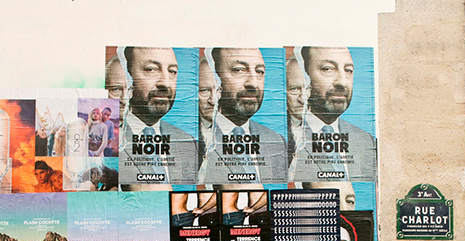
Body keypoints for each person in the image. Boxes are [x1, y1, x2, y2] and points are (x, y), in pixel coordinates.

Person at [200, 47, 286, 186]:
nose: (253, 83)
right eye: (239, 70)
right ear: (216, 77)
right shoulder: (194, 143)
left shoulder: (276, 141)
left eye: (259, 72)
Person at [290, 46, 376, 183]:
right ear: (305, 76)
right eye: (328, 69)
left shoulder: (365, 140)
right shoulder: (285, 140)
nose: (342, 82)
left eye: (348, 70)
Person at [119, 46, 198, 188]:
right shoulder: (110, 141)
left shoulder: (186, 142)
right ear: (127, 77)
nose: (165, 83)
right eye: (151, 69)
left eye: (172, 71)